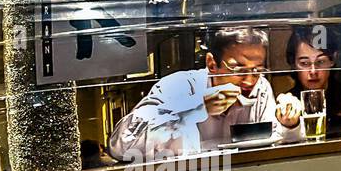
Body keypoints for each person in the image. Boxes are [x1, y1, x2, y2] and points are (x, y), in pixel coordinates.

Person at [108, 26, 303, 161]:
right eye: (238, 69)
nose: (249, 80)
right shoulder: (179, 86)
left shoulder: (260, 88)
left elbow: (273, 144)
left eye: (257, 69)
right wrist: (195, 107)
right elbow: (121, 145)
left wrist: (289, 124)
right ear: (212, 64)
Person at [283, 25, 341, 138]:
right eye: (305, 63)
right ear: (293, 64)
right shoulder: (289, 103)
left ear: (332, 60)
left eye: (321, 62)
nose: (313, 71)